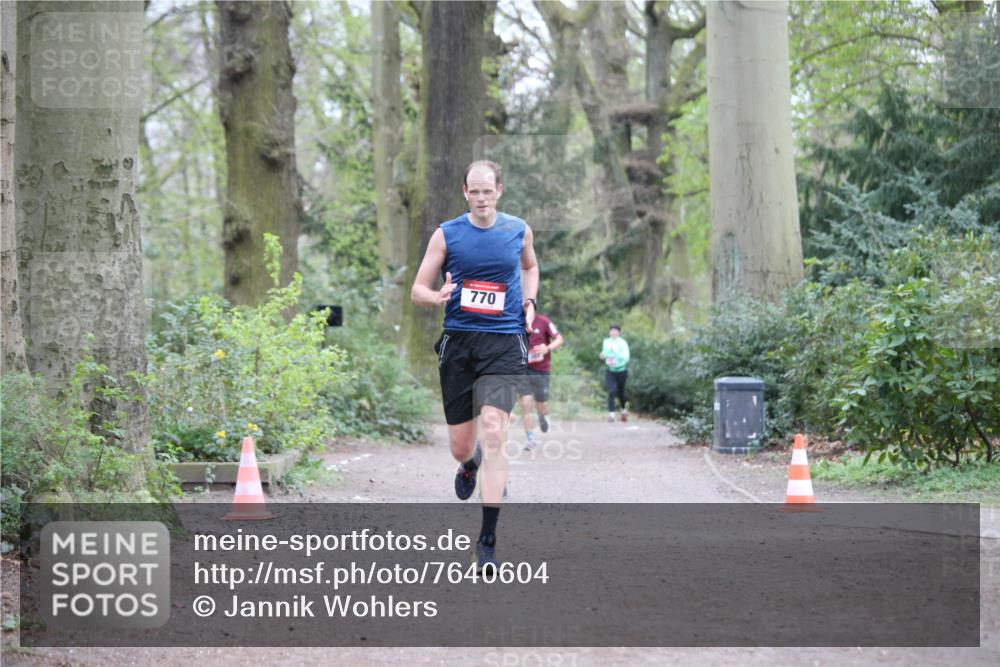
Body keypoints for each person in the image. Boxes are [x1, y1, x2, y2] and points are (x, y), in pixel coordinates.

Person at [410, 160, 538, 572]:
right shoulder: (447, 234)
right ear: (465, 192)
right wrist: (436, 296)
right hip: (460, 343)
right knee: (462, 447)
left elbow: (530, 267)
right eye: (475, 191)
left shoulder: (518, 230)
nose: (482, 198)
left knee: (496, 431)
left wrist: (530, 301)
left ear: (499, 190)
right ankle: (471, 461)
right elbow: (417, 289)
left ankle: (487, 542)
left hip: (505, 341)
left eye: (488, 190)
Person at [518, 311, 563, 450]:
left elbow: (559, 339)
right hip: (523, 370)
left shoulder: (544, 321)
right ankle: (530, 438)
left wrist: (547, 348)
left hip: (541, 370)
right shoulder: (515, 321)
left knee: (541, 404)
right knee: (526, 403)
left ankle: (542, 416)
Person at [599, 325, 630, 422]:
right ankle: (611, 415)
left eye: (615, 331)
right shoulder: (606, 342)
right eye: (611, 331)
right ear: (609, 332)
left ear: (618, 333)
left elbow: (626, 358)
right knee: (611, 391)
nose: (613, 333)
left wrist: (615, 351)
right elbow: (604, 353)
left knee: (621, 392)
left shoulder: (623, 343)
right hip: (610, 370)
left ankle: (623, 410)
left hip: (621, 370)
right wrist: (602, 355)